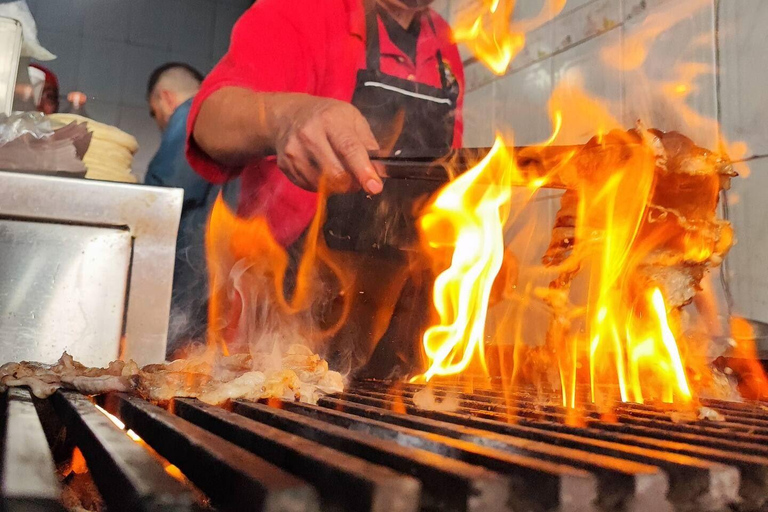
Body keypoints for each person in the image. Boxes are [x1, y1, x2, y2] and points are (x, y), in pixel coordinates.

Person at [186, 0, 464, 372]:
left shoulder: (446, 42)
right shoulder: (303, 9)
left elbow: (443, 186)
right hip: (293, 311)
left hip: (401, 321)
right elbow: (209, 122)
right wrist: (287, 117)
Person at [145, 63, 223, 353]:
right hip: (220, 286)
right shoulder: (226, 121)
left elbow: (160, 201)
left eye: (156, 115)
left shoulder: (190, 115)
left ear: (164, 98)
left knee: (177, 365)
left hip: (193, 287)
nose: (160, 123)